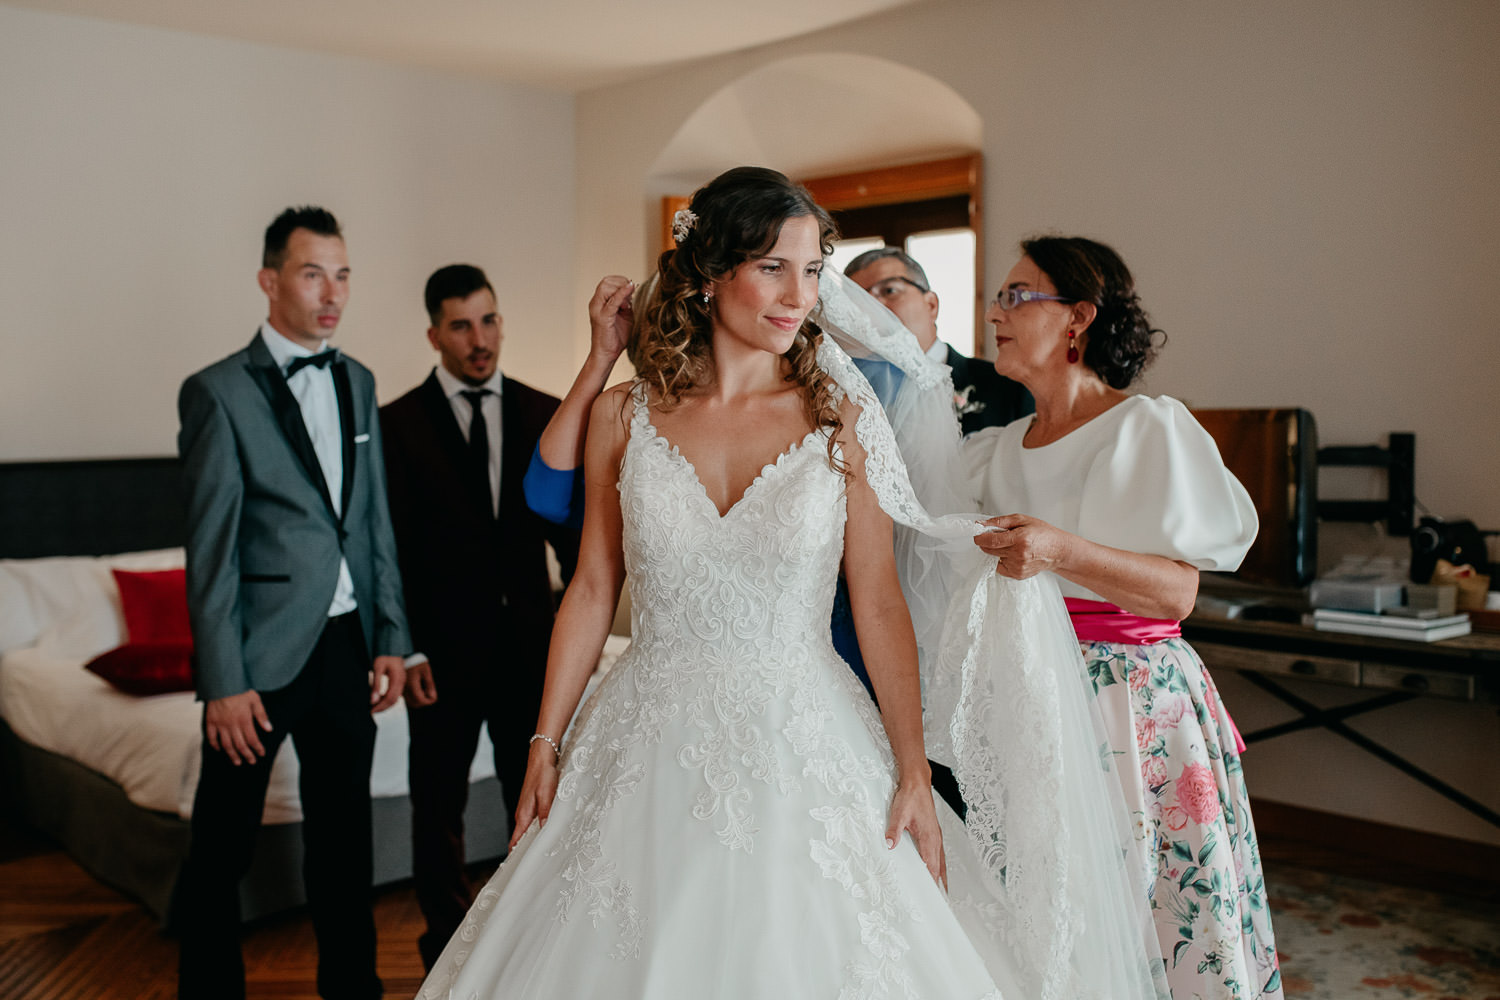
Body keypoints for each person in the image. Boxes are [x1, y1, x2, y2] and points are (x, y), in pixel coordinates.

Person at [418, 168, 1165, 1000]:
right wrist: (545, 743)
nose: (799, 294)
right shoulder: (622, 415)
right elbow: (592, 588)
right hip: (645, 737)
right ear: (711, 273)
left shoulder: (843, 420)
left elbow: (877, 599)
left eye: (813, 271)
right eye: (774, 267)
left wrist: (913, 770)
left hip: (807, 736)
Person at [967, 235, 1283, 1000]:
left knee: (1153, 904)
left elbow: (1176, 595)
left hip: (1131, 703)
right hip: (1032, 695)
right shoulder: (994, 451)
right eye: (995, 299)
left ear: (1078, 317)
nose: (996, 315)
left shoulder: (1146, 429)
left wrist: (1059, 550)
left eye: (1017, 296)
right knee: (1050, 906)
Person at [174, 206, 410, 1000]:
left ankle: (354, 991)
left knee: (344, 845)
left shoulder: (359, 380)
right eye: (314, 274)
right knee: (222, 850)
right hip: (258, 662)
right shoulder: (216, 392)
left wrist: (392, 638)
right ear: (270, 281)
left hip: (346, 650)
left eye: (343, 275)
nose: (332, 293)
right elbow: (210, 553)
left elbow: (371, 522)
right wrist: (222, 682)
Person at [379, 263, 581, 970]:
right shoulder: (395, 425)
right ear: (435, 333)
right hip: (440, 655)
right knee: (438, 812)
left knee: (536, 799)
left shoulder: (546, 411)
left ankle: (525, 943)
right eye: (462, 326)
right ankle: (443, 950)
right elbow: (390, 549)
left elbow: (576, 546)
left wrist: (567, 627)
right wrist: (403, 648)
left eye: (489, 321)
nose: (479, 339)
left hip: (529, 648)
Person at [845, 246, 1032, 434]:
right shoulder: (848, 396)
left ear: (931, 305)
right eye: (858, 300)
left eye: (889, 290)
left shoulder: (1010, 388)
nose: (872, 309)